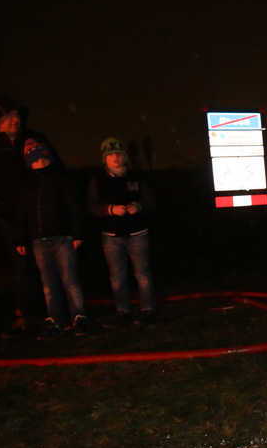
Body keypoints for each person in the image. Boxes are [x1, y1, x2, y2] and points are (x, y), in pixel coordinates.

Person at [0, 96, 55, 333]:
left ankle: (55, 309)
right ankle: (28, 313)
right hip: (9, 216)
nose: (14, 119)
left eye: (16, 115)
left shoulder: (33, 138)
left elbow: (56, 168)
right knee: (22, 263)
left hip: (40, 210)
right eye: (8, 116)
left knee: (48, 259)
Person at [14, 139, 88, 337]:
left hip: (63, 239)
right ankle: (54, 322)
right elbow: (21, 213)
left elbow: (74, 206)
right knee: (49, 284)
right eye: (29, 152)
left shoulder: (61, 178)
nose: (35, 156)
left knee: (70, 281)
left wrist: (78, 233)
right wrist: (20, 239)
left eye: (36, 150)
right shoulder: (27, 184)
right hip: (39, 242)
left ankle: (79, 318)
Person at [87, 137, 159, 325]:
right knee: (117, 276)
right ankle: (122, 311)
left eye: (118, 154)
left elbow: (152, 201)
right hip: (111, 236)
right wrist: (110, 209)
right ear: (105, 158)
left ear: (124, 156)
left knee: (142, 274)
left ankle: (148, 310)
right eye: (110, 154)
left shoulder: (137, 178)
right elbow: (92, 206)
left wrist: (139, 206)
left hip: (138, 233)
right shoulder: (98, 180)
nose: (115, 158)